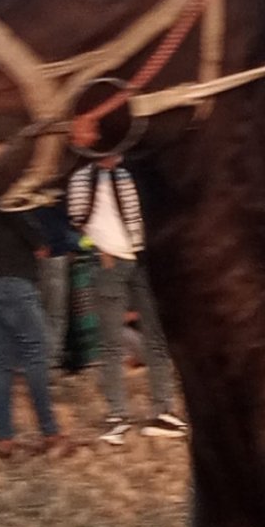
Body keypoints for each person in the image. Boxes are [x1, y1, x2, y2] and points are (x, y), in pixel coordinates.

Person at [65, 154, 180, 445]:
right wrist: (99, 247)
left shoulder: (135, 171)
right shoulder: (83, 178)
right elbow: (77, 219)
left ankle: (163, 410)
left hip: (143, 258)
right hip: (110, 262)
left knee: (156, 336)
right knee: (111, 343)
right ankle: (117, 416)